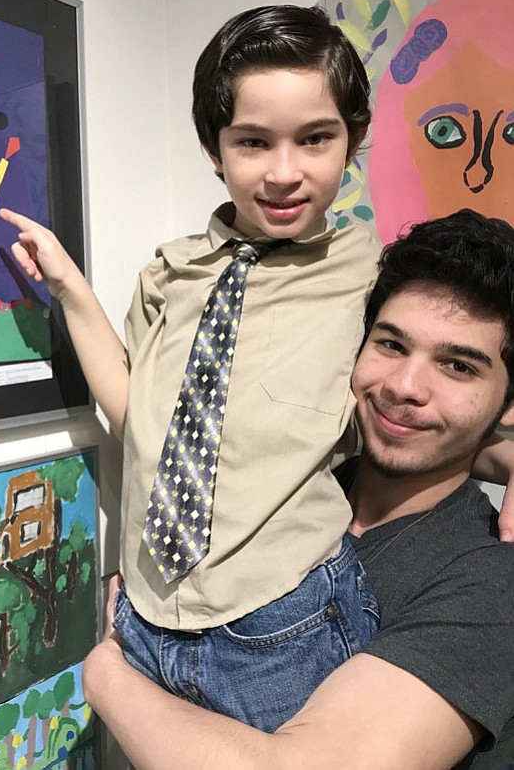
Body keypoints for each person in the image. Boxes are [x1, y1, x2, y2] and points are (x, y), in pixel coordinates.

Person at [0, 6, 513, 731]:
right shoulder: (171, 274)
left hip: (281, 622)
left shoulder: (371, 275)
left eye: (315, 139)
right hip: (147, 613)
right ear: (215, 149)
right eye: (252, 142)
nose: (283, 172)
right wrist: (68, 289)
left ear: (353, 139)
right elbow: (139, 415)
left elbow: (418, 400)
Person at [83, 209, 514, 770]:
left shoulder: (490, 582)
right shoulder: (289, 489)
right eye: (390, 344)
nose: (405, 387)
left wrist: (107, 672)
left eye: (458, 366)